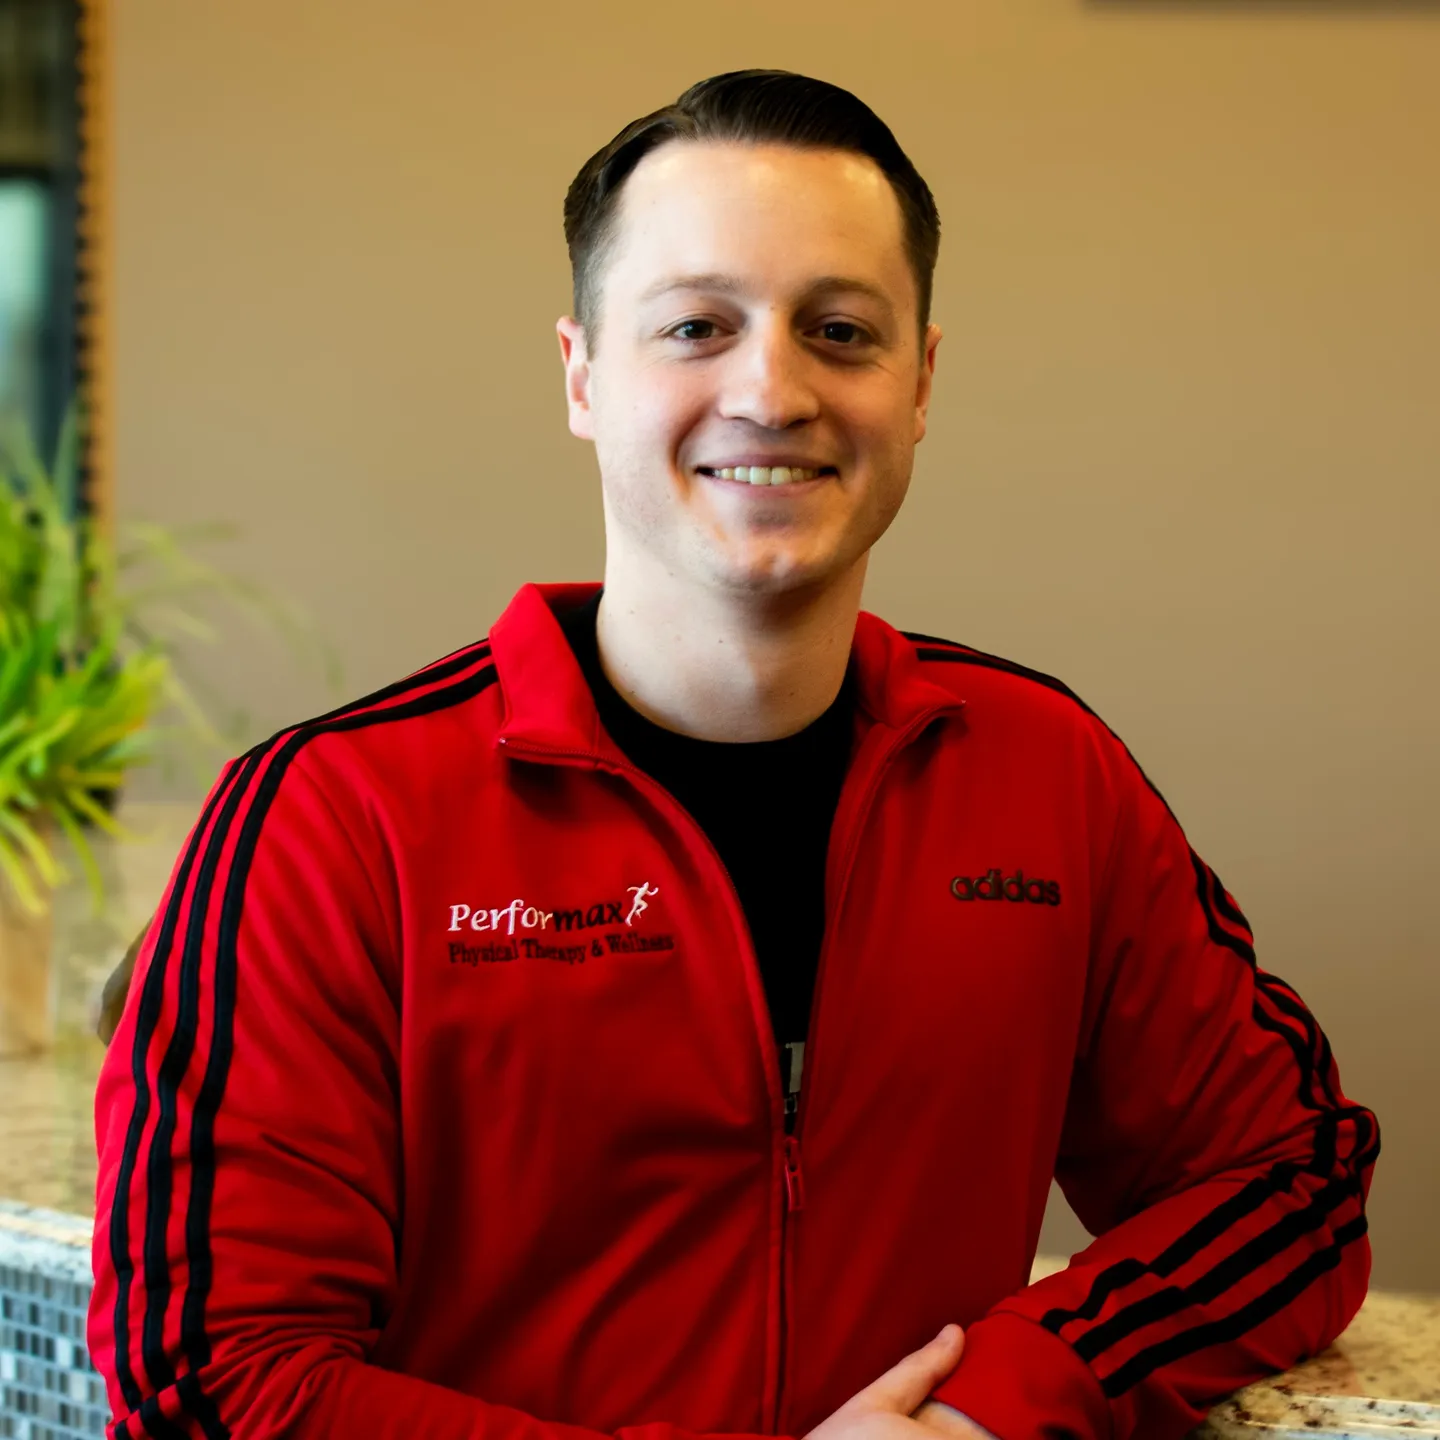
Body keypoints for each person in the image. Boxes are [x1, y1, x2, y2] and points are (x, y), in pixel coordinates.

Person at [89, 69, 1377, 1440]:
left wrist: (996, 1405)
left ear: (922, 383)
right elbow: (205, 1381)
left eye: (840, 330)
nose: (772, 389)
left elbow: (1289, 1184)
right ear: (584, 376)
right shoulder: (330, 819)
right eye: (696, 326)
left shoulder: (1044, 777)